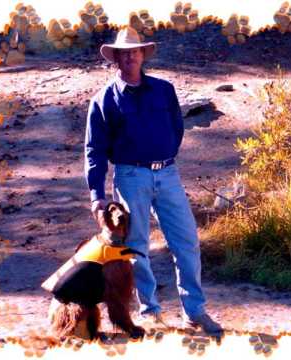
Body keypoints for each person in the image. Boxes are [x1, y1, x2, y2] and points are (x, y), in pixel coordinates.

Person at [84, 26, 222, 335]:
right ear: (115, 58)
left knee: (187, 241)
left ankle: (194, 311)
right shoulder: (104, 100)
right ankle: (151, 312)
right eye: (124, 53)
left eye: (135, 51)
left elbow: (176, 128)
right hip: (130, 175)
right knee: (136, 247)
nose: (130, 56)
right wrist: (97, 194)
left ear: (143, 54)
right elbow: (94, 150)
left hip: (168, 173)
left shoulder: (164, 90)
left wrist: (164, 157)